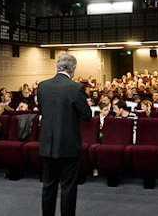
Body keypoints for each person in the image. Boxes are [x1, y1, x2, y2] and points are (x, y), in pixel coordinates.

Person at [38, 54, 92, 216]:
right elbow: (87, 115)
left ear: (57, 67)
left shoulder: (42, 86)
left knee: (48, 186)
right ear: (73, 70)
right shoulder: (76, 88)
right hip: (68, 145)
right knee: (68, 187)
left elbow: (43, 110)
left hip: (47, 144)